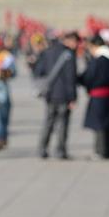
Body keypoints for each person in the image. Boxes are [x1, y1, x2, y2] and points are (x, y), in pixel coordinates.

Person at [35, 32, 79, 160]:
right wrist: (73, 97)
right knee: (63, 124)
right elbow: (70, 78)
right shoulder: (68, 54)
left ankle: (42, 149)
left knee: (48, 122)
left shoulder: (47, 52)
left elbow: (39, 71)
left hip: (50, 93)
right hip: (64, 95)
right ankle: (60, 151)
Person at [79, 36, 109, 159]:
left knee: (99, 125)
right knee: (108, 125)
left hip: (98, 96)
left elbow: (88, 77)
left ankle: (100, 151)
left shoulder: (98, 61)